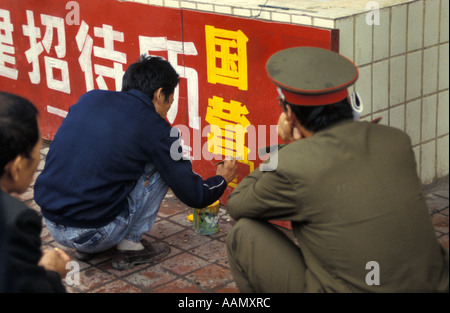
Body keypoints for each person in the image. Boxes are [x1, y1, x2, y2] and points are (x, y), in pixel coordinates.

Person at [225, 47, 449, 293]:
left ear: (289, 114)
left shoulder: (293, 164)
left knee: (242, 234)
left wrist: (285, 152)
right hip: (432, 286)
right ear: (346, 103)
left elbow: (238, 205)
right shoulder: (396, 141)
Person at [34, 55, 237, 271]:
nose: (168, 108)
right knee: (162, 165)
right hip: (94, 232)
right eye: (170, 100)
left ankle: (90, 244)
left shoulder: (90, 99)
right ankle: (129, 245)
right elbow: (195, 195)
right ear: (160, 94)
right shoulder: (157, 129)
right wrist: (222, 178)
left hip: (52, 224)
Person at [0, 92, 70, 292]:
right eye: (38, 150)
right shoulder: (15, 221)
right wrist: (51, 272)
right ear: (17, 167)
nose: (39, 159)